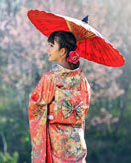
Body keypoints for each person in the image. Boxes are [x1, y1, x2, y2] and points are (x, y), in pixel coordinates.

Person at [28, 31, 91, 163]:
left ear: (62, 51)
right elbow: (83, 110)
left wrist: (52, 113)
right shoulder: (82, 80)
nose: (47, 50)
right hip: (76, 142)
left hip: (57, 143)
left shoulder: (50, 78)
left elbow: (35, 106)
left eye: (51, 45)